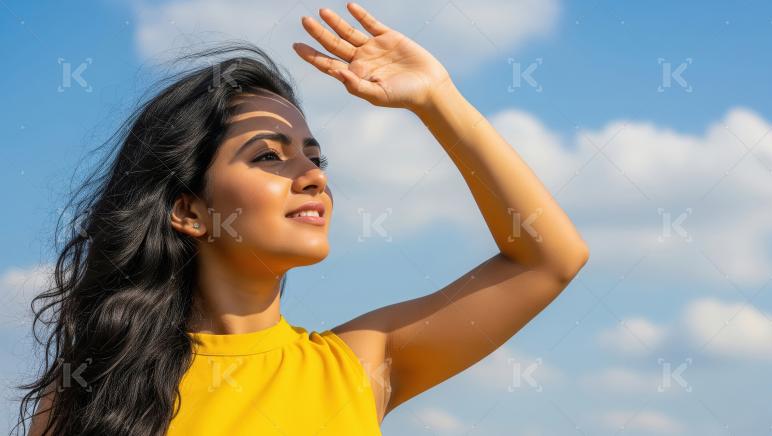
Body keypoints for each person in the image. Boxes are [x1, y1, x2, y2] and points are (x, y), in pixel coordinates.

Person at [17, 2, 588, 435]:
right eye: (268, 155)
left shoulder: (362, 365)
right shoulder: (98, 391)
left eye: (315, 157)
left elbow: (548, 257)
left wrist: (437, 99)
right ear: (188, 210)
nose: (312, 175)